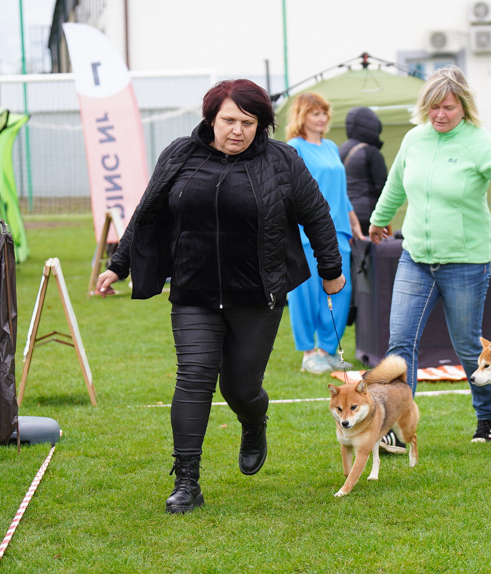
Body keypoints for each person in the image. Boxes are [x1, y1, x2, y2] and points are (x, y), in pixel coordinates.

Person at [96, 79, 345, 514]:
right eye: (229, 120)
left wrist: (331, 270)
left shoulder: (282, 160)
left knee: (240, 386)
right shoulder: (180, 154)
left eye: (249, 123)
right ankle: (187, 481)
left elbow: (316, 214)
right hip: (194, 291)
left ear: (262, 125)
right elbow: (148, 209)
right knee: (193, 377)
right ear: (211, 118)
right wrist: (120, 263)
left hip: (257, 294)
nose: (238, 130)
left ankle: (254, 420)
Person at [368, 66, 491, 451]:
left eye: (447, 107)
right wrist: (379, 221)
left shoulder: (478, 142)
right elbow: (396, 184)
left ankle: (488, 414)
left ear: (463, 106)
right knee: (401, 341)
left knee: (467, 344)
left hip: (465, 261)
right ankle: (397, 426)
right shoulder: (415, 139)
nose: (439, 115)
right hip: (416, 257)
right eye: (432, 108)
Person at [285, 92, 364, 375]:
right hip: (307, 232)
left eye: (324, 113)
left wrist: (355, 225)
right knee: (304, 293)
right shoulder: (295, 147)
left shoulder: (331, 146)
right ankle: (309, 352)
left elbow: (341, 193)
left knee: (342, 290)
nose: (321, 118)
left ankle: (328, 350)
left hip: (339, 230)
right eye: (315, 113)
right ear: (301, 116)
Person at [339, 106, 388, 236]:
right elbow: (383, 188)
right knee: (370, 254)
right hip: (368, 216)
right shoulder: (371, 152)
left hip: (346, 215)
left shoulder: (340, 149)